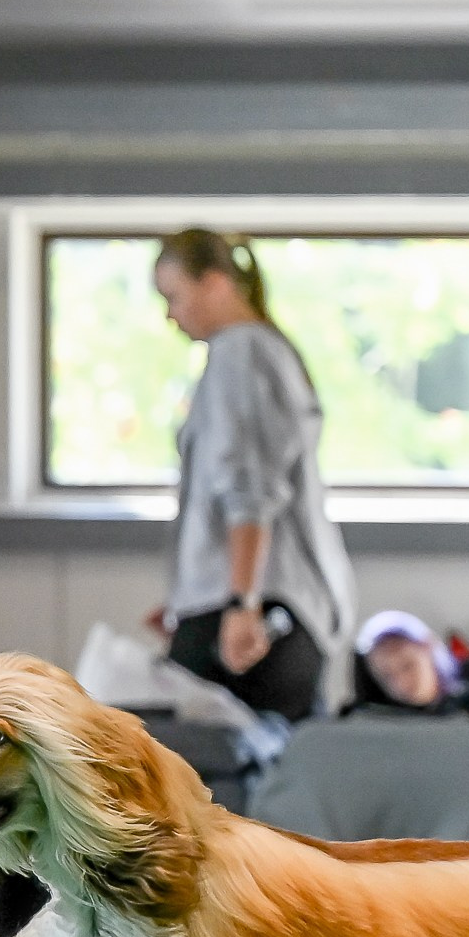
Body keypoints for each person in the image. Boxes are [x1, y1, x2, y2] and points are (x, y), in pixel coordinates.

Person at [148, 228, 354, 722]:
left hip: (260, 610)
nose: (170, 314)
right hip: (255, 601)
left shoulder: (241, 352)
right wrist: (189, 596)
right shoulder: (262, 350)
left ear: (216, 284)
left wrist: (242, 603)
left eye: (174, 296)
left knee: (204, 782)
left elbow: (251, 490)